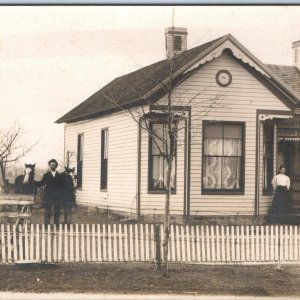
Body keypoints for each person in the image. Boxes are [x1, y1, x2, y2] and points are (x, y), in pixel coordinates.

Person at [34, 159, 63, 226]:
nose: (53, 166)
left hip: (57, 197)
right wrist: (34, 182)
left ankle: (56, 225)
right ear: (49, 166)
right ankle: (46, 225)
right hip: (48, 196)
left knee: (57, 211)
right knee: (47, 211)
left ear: (56, 166)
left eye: (54, 165)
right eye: (51, 165)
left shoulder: (59, 176)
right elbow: (41, 183)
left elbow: (62, 186)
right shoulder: (46, 175)